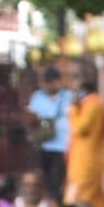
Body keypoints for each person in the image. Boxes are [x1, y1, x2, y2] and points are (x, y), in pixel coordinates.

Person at [63, 67, 104, 207]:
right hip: (82, 159)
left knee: (80, 197)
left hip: (87, 161)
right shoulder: (86, 104)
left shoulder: (92, 105)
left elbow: (79, 129)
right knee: (92, 196)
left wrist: (72, 110)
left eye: (75, 77)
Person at [26, 65, 70, 195]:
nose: (48, 86)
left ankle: (55, 203)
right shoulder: (37, 96)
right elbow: (31, 117)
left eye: (51, 83)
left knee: (57, 181)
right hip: (43, 144)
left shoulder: (68, 97)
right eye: (46, 83)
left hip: (61, 146)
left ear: (58, 82)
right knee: (44, 179)